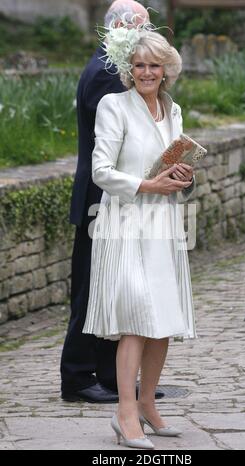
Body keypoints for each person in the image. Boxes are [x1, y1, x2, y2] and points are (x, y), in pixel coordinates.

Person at [83, 25, 197, 449]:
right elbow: (101, 170)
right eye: (139, 65)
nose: (147, 72)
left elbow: (177, 167)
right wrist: (148, 186)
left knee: (161, 320)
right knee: (134, 319)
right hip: (126, 223)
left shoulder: (174, 109)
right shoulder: (114, 105)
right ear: (128, 69)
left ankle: (149, 404)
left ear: (167, 70)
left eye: (154, 65)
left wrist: (184, 177)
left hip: (164, 223)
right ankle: (125, 413)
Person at [60, 1, 164, 404]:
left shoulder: (113, 66)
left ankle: (108, 376)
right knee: (90, 289)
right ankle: (77, 378)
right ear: (121, 28)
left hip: (114, 198)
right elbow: (115, 145)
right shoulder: (107, 73)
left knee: (111, 287)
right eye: (143, 27)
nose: (148, 33)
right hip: (100, 200)